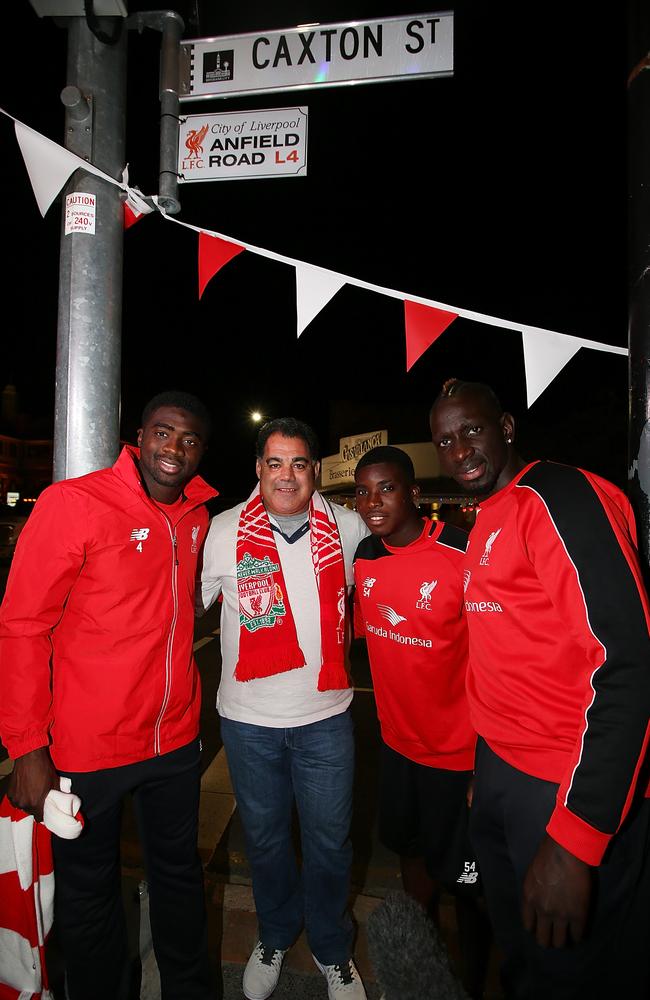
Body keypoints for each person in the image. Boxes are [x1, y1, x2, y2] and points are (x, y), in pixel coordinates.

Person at [429, 378, 650, 1000]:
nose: (460, 450)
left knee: (573, 973)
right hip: (503, 775)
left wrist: (577, 842)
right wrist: (488, 760)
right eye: (445, 440)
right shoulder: (487, 519)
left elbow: (627, 663)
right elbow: (505, 656)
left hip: (564, 787)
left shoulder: (559, 495)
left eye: (471, 430)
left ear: (505, 427)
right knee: (524, 958)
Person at [0, 390, 217, 1000]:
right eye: (163, 432)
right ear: (138, 434)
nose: (173, 448)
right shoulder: (75, 503)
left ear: (202, 451)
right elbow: (21, 625)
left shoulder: (197, 515)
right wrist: (27, 747)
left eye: (189, 438)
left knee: (179, 880)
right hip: (86, 749)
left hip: (173, 740)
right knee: (90, 895)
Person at [198, 417, 369, 1000]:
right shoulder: (221, 532)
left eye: (299, 463)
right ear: (258, 470)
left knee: (329, 842)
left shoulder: (346, 528)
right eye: (275, 463)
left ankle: (330, 946)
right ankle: (273, 933)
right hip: (248, 723)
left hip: (326, 718)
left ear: (316, 471)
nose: (287, 475)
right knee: (266, 840)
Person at [352, 445, 488, 998]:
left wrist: (492, 758)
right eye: (363, 491)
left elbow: (496, 654)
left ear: (412, 491)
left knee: (469, 881)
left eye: (386, 488)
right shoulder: (365, 554)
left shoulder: (461, 552)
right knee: (411, 854)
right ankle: (423, 969)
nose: (373, 501)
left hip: (460, 754)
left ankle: (476, 979)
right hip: (398, 745)